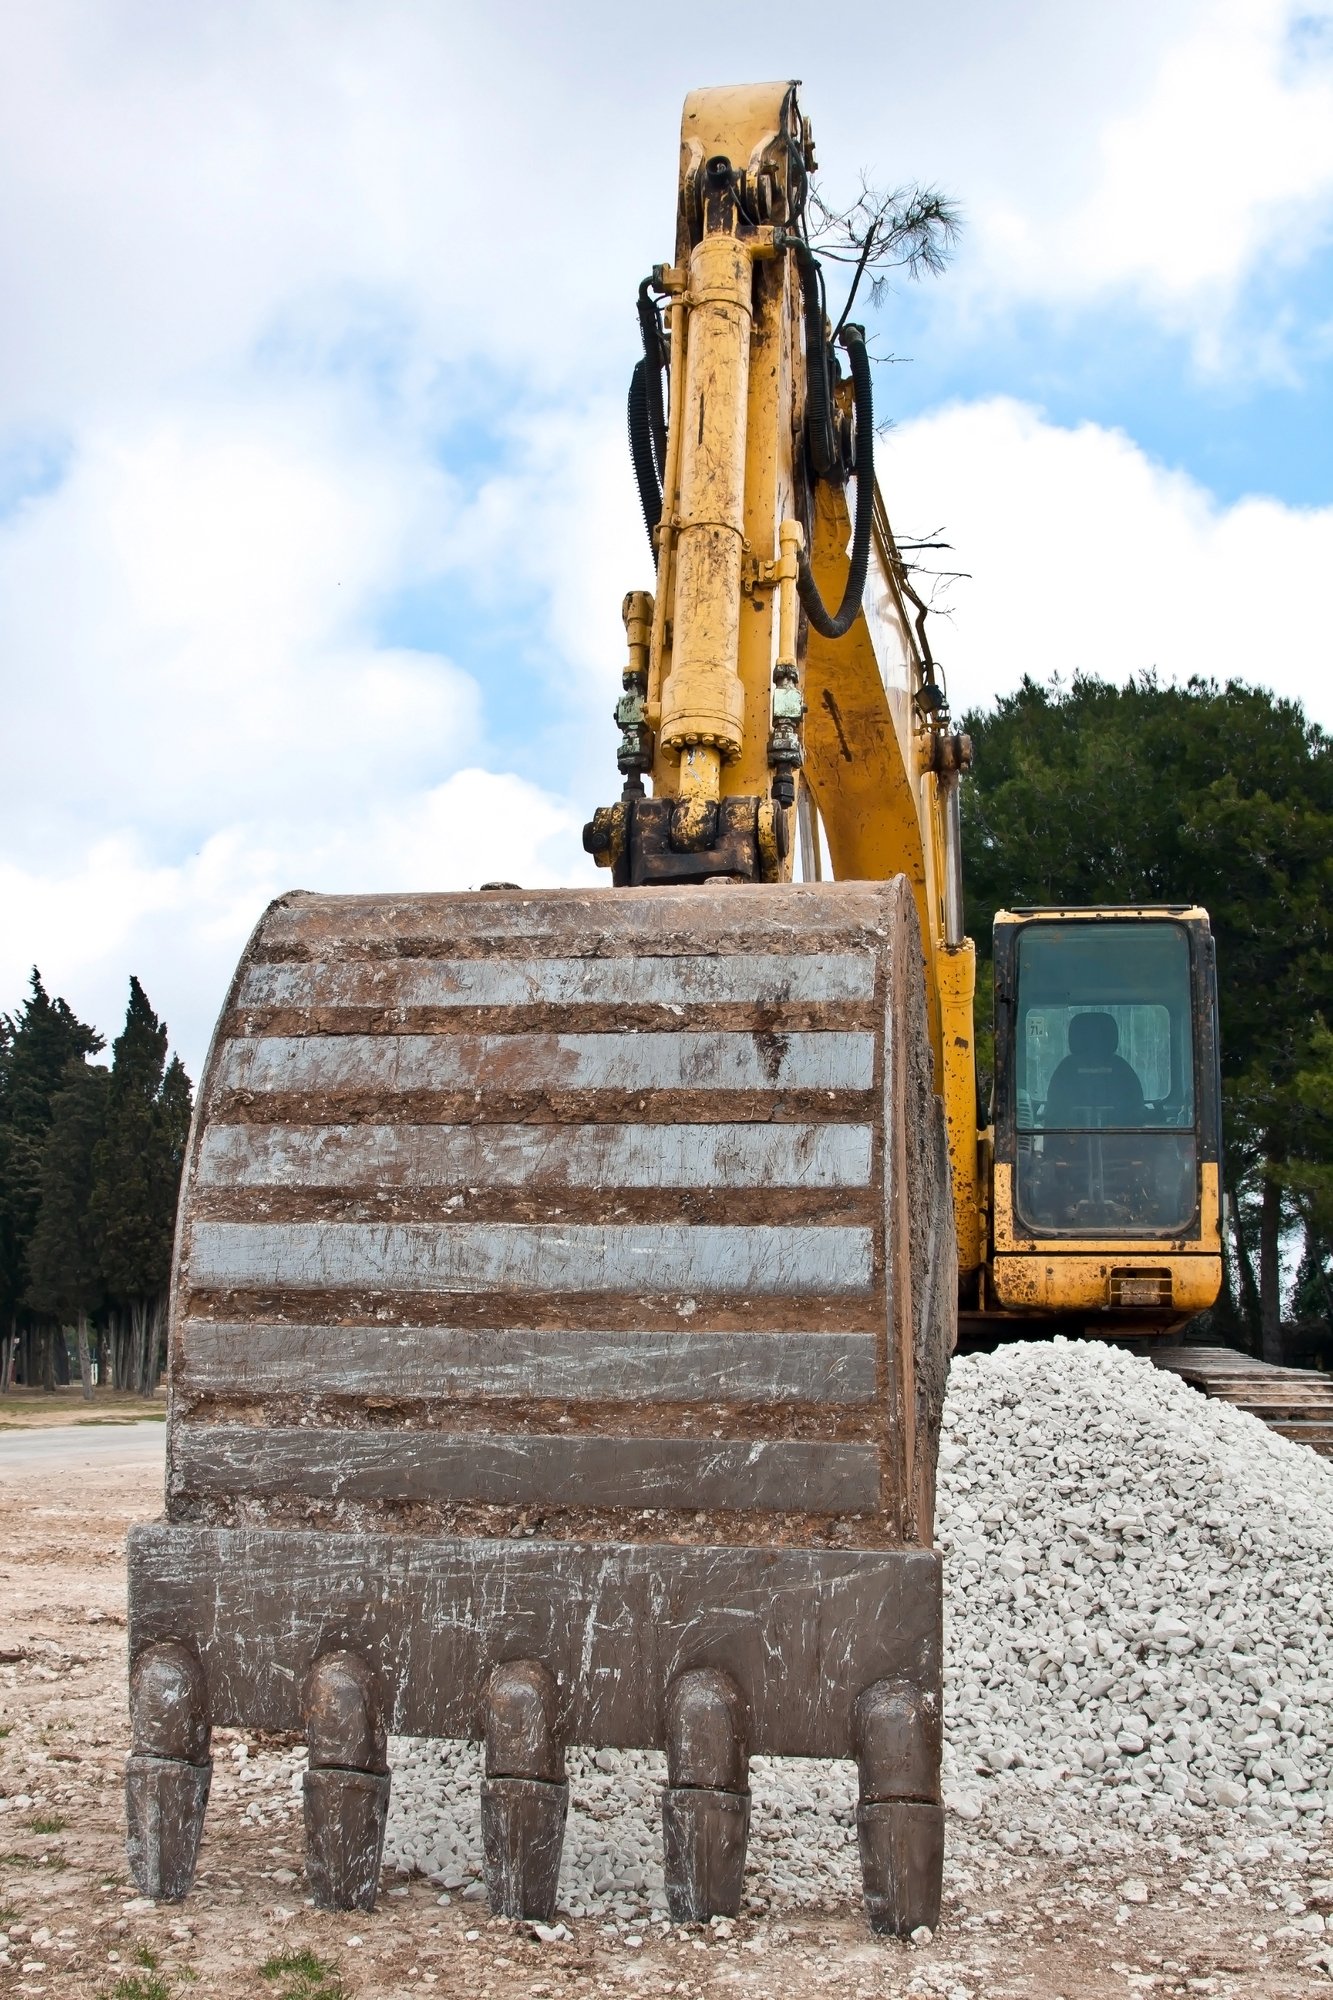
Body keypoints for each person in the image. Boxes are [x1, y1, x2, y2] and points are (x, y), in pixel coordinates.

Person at [1043, 1011, 1145, 1129]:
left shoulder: (1065, 1070)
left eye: (1099, 1036)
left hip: (1120, 1142)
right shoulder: (1123, 1069)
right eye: (1088, 1035)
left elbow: (1136, 1116)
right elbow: (1055, 1117)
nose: (1094, 1040)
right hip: (1069, 1142)